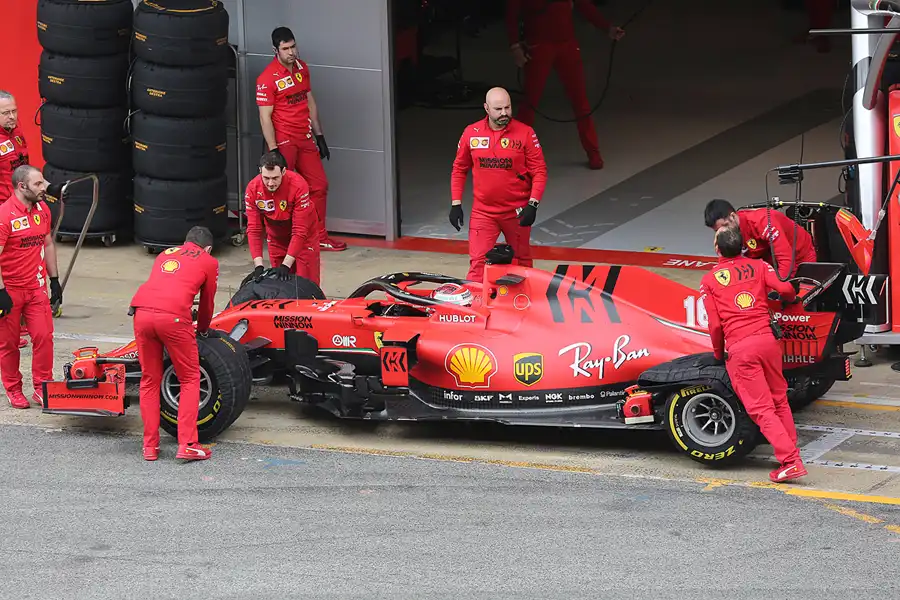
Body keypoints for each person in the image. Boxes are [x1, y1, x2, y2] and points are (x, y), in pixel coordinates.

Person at [699, 225, 807, 483]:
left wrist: (718, 354)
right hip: (768, 342)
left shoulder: (709, 280)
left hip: (741, 349)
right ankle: (789, 450)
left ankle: (791, 461)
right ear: (743, 246)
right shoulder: (759, 266)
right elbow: (786, 291)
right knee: (779, 400)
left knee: (761, 409)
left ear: (717, 249)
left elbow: (715, 326)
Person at [129, 226, 219, 462]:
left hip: (141, 314)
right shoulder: (209, 261)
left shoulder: (165, 254)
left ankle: (150, 447)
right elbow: (207, 303)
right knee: (189, 378)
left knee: (149, 380)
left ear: (185, 241)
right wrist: (203, 329)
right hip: (174, 318)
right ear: (208, 248)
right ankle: (187, 444)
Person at [256, 26, 346, 252]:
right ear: (275, 50)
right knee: (283, 190)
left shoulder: (302, 68)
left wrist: (319, 135)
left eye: (293, 46)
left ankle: (319, 237)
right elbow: (265, 117)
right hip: (284, 140)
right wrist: (273, 150)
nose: (291, 52)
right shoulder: (267, 78)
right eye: (285, 48)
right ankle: (283, 240)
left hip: (304, 137)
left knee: (319, 186)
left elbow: (309, 101)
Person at [505, 0, 625, 170]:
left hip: (565, 44)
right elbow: (511, 14)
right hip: (539, 45)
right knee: (530, 102)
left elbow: (583, 5)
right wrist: (515, 46)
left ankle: (593, 152)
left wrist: (607, 28)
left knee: (580, 101)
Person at [450, 87, 549, 282]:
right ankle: (476, 301)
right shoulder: (471, 133)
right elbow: (459, 169)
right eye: (498, 109)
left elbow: (539, 171)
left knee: (522, 264)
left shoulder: (526, 133)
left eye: (507, 107)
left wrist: (533, 204)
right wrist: (456, 203)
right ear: (486, 108)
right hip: (483, 212)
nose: (504, 113)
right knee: (478, 265)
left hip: (517, 212)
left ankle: (523, 300)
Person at [0, 165, 62, 409]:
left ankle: (42, 387)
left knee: (44, 337)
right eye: (38, 184)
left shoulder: (43, 209)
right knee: (8, 343)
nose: (43, 187)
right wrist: (1, 292)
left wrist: (54, 280)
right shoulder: (4, 216)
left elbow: (48, 243)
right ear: (21, 186)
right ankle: (13, 389)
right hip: (10, 290)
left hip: (36, 288)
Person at [245, 151, 320, 285]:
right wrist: (258, 265)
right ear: (260, 171)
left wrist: (286, 265)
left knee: (306, 283)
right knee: (278, 284)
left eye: (275, 178)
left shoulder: (298, 185)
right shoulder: (253, 188)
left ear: (284, 171)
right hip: (276, 237)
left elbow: (300, 231)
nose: (270, 183)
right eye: (266, 178)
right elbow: (254, 229)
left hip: (304, 238)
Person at [703, 198, 817, 279]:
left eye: (725, 226)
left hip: (800, 255)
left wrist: (778, 287)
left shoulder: (762, 222)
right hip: (770, 260)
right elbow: (731, 265)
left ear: (733, 216)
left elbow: (786, 259)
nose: (723, 231)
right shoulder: (728, 231)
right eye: (717, 230)